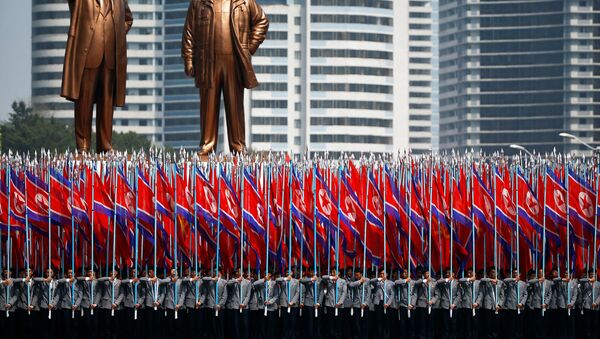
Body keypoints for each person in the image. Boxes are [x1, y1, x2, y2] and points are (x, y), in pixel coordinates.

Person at [181, 0, 269, 154]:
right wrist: (189, 59)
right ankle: (207, 146)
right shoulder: (199, 3)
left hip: (234, 61)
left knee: (235, 105)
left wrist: (248, 48)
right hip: (207, 61)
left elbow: (262, 21)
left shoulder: (244, 1)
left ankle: (238, 146)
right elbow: (189, 32)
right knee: (208, 106)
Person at [61, 0, 133, 152]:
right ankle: (83, 144)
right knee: (84, 101)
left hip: (110, 55)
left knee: (107, 102)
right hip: (88, 53)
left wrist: (117, 33)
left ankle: (105, 144)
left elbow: (128, 19)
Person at [474, 267, 502, 339]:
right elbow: (482, 279)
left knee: (496, 325)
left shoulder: (500, 282)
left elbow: (503, 295)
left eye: (494, 272)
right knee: (487, 324)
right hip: (487, 306)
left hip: (497, 306)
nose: (492, 273)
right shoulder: (486, 282)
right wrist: (491, 280)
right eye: (491, 272)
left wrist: (500, 304)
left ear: (497, 273)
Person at [499, 269, 527, 339]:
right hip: (511, 307)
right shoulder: (509, 282)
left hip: (520, 307)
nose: (515, 274)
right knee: (511, 325)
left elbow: (525, 294)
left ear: (520, 274)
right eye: (514, 273)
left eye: (516, 273)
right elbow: (504, 280)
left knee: (519, 325)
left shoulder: (523, 283)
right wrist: (513, 279)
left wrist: (522, 303)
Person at [201, 269, 228, 339]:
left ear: (220, 273)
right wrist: (212, 279)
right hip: (211, 306)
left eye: (217, 271)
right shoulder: (210, 281)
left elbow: (224, 296)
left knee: (220, 325)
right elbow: (203, 278)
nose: (215, 272)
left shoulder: (224, 282)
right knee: (212, 325)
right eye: (214, 271)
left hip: (220, 307)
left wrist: (220, 305)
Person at [431, 268, 458, 339]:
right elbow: (437, 282)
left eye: (449, 273)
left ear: (453, 274)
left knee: (453, 324)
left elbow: (459, 295)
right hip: (445, 306)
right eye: (447, 273)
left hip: (453, 306)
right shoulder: (444, 282)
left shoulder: (457, 283)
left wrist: (454, 304)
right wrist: (447, 279)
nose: (448, 274)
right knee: (445, 324)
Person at [226, 269, 252, 339]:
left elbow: (248, 295)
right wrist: (236, 280)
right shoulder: (234, 281)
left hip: (244, 307)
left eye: (239, 271)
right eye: (237, 271)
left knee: (244, 325)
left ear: (243, 273)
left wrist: (244, 304)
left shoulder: (248, 282)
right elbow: (227, 283)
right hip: (235, 306)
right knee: (235, 325)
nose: (237, 273)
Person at [411, 268, 436, 339]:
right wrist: (424, 280)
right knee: (422, 324)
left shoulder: (434, 281)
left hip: (431, 305)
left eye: (428, 273)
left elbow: (436, 294)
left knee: (430, 323)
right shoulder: (420, 281)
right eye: (425, 273)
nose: (426, 275)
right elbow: (416, 284)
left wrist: (432, 301)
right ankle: (422, 337)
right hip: (422, 305)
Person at [254, 272, 280, 339]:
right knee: (261, 325)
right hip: (261, 307)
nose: (265, 274)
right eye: (264, 273)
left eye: (266, 273)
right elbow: (254, 284)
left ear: (270, 274)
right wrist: (263, 280)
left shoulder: (274, 283)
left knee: (270, 326)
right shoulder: (261, 282)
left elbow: (276, 295)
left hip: (270, 308)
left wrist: (270, 302)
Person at [455, 268, 479, 339]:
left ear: (475, 274)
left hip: (476, 306)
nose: (469, 274)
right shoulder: (465, 281)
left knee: (475, 324)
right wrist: (469, 279)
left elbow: (481, 294)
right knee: (467, 324)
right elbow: (460, 280)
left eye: (471, 273)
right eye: (468, 273)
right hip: (467, 305)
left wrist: (477, 303)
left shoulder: (478, 282)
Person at [277, 269, 300, 339]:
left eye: (290, 272)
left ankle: (292, 336)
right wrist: (285, 278)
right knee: (285, 322)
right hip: (284, 304)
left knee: (292, 322)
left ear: (292, 273)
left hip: (293, 305)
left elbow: (297, 292)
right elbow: (277, 279)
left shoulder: (296, 281)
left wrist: (292, 301)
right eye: (287, 272)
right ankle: (285, 336)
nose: (288, 273)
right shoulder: (283, 281)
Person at [299, 268, 321, 338]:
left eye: (313, 271)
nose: (312, 273)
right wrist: (311, 279)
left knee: (317, 321)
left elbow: (321, 292)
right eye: (310, 272)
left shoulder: (320, 280)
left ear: (316, 272)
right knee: (309, 322)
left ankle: (316, 335)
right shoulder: (307, 279)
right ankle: (309, 335)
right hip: (308, 303)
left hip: (317, 303)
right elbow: (301, 280)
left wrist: (319, 302)